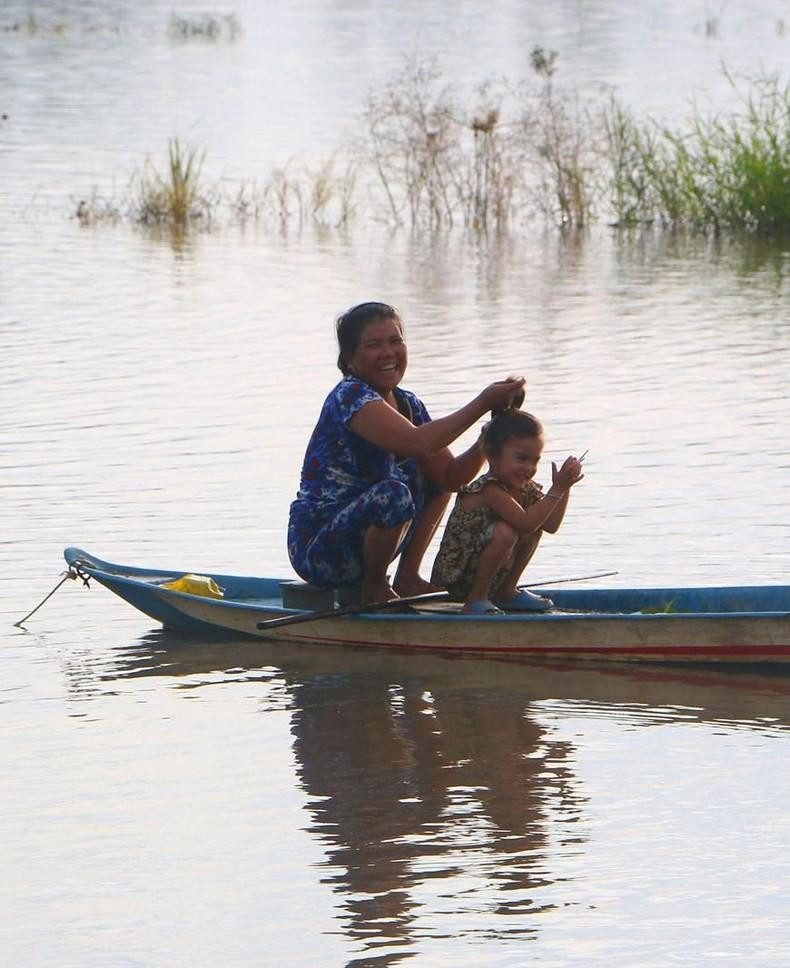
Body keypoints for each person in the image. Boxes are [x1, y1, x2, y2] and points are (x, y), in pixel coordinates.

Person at [287, 301, 525, 605]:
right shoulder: (349, 396)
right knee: (393, 495)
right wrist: (481, 402)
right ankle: (374, 589)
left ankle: (407, 578)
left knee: (431, 483)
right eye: (374, 345)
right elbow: (416, 443)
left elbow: (450, 477)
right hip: (320, 548)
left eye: (395, 341)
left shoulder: (408, 403)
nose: (388, 352)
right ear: (350, 359)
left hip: (366, 537)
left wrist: (489, 434)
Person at [430, 408, 583, 614]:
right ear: (493, 456)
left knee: (535, 523)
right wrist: (556, 490)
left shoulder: (523, 488)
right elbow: (526, 522)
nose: (529, 468)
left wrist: (564, 488)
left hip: (490, 571)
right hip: (459, 576)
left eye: (535, 460)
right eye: (521, 459)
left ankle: (506, 592)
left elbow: (550, 525)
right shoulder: (489, 489)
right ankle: (475, 600)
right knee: (507, 530)